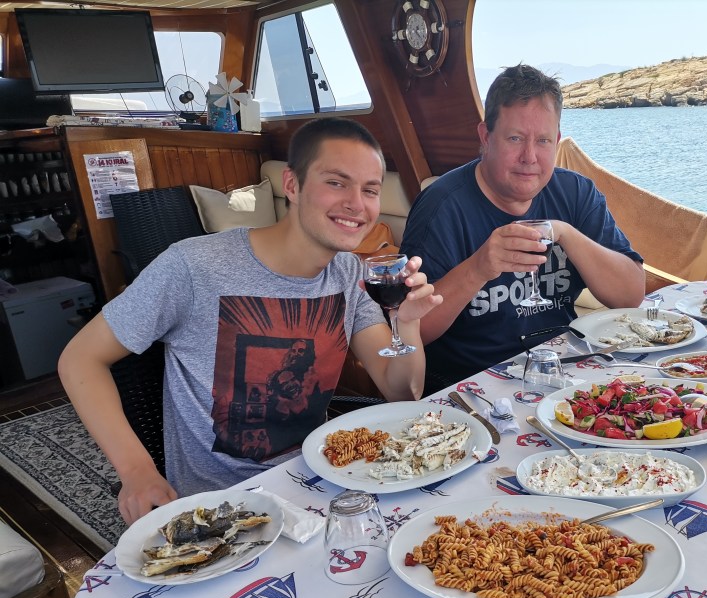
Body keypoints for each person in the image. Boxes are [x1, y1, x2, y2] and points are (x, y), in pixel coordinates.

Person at [59, 118, 442, 524]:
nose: (356, 204)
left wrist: (408, 322)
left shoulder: (348, 274)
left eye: (370, 190)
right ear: (292, 186)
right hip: (219, 510)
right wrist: (137, 471)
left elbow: (401, 391)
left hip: (319, 488)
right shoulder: (194, 265)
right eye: (336, 183)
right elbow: (80, 359)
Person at [401, 64, 645, 390]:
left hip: (563, 372)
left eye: (543, 140)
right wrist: (478, 268)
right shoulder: (441, 208)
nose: (529, 156)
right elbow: (410, 329)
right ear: (485, 137)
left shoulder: (576, 194)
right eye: (515, 138)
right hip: (471, 385)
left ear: (557, 141)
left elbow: (631, 295)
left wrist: (566, 234)